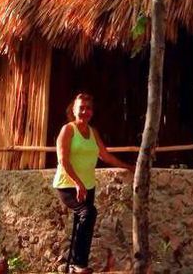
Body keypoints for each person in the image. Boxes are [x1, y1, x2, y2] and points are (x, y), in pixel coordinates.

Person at [53, 93, 134, 274]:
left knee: (83, 219)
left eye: (88, 108)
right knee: (88, 212)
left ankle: (73, 266)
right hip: (67, 184)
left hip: (88, 185)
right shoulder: (67, 130)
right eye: (81, 107)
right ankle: (78, 264)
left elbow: (104, 155)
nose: (85, 111)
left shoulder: (92, 132)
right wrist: (77, 183)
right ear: (73, 110)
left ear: (92, 112)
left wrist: (129, 166)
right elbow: (63, 160)